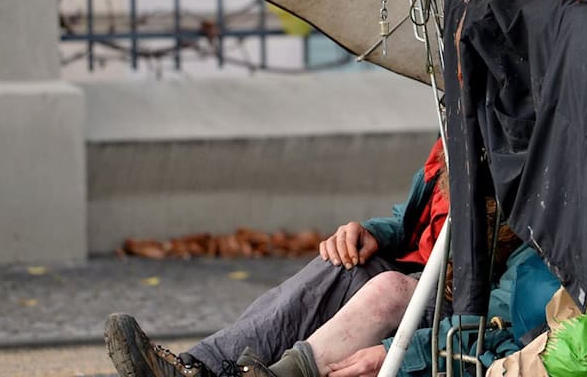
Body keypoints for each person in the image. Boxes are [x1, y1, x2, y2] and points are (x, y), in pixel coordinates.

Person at [105, 139, 449, 377]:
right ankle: (197, 367)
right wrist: (374, 232)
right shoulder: (457, 130)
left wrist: (404, 350)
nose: (459, 73)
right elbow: (414, 218)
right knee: (340, 265)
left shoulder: (502, 153)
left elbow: (500, 311)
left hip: (452, 299)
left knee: (386, 289)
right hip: (415, 267)